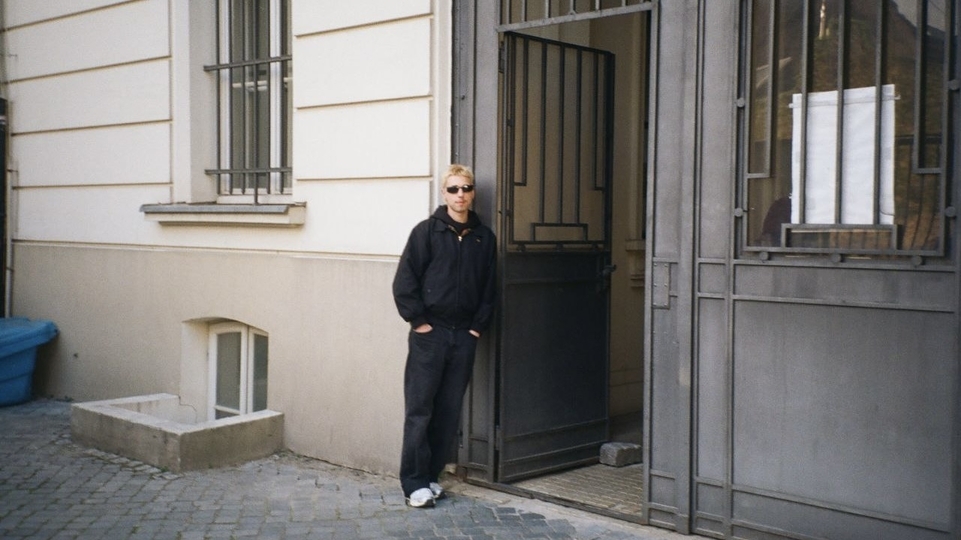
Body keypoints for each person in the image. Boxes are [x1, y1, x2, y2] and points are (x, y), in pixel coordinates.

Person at [392, 164, 497, 508]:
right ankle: (413, 483)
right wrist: (419, 321)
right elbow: (405, 281)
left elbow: (489, 289)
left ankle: (431, 477)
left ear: (472, 193)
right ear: (444, 193)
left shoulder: (484, 237)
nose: (460, 195)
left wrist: (476, 327)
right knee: (420, 409)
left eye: (466, 188)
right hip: (430, 335)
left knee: (449, 410)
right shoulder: (426, 232)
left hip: (463, 336)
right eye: (453, 189)